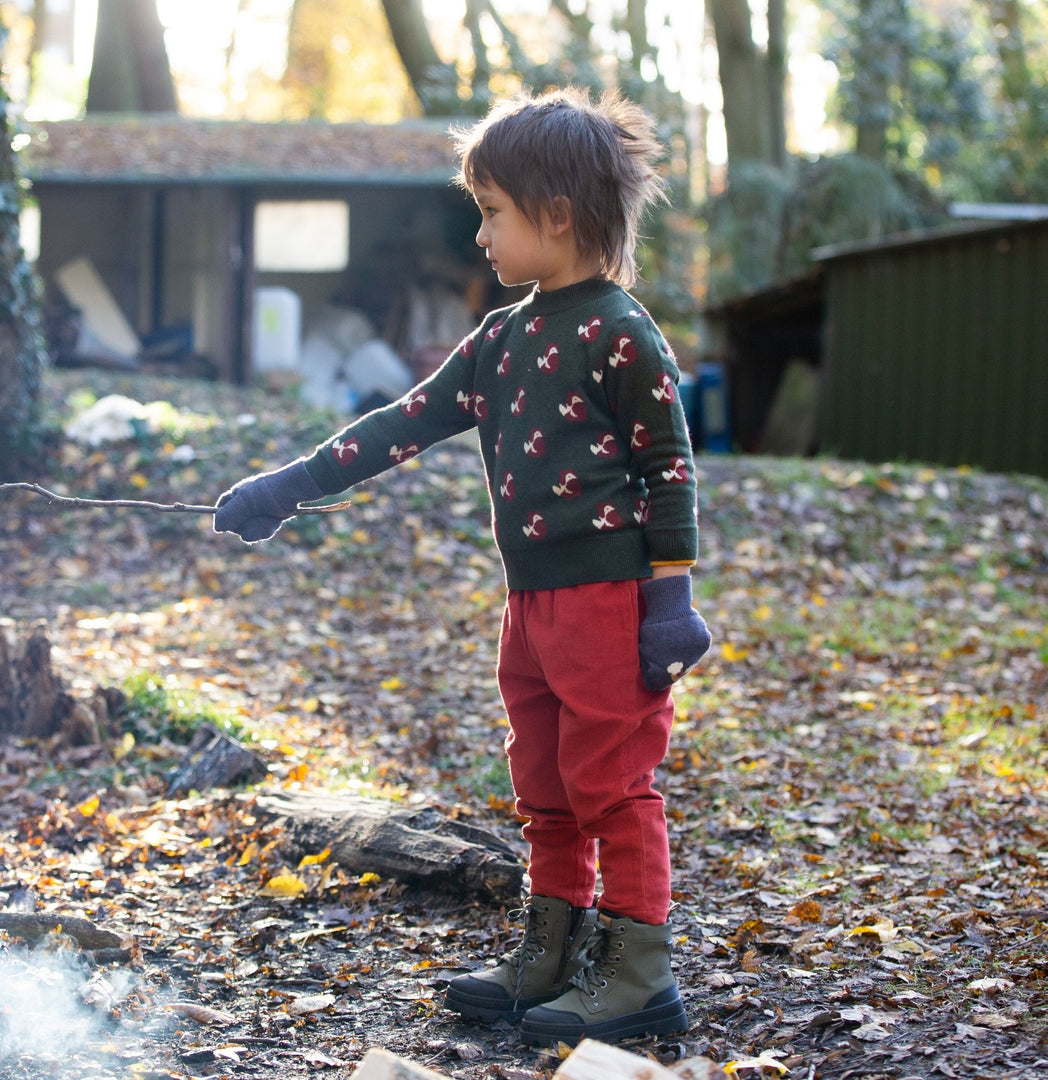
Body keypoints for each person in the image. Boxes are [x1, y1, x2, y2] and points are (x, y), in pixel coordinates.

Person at [214, 86, 711, 1047]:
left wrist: (670, 600)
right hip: (530, 606)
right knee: (546, 781)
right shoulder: (502, 339)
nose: (479, 236)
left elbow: (668, 469)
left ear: (556, 216)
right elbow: (404, 424)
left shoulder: (620, 330)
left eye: (491, 212)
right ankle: (552, 946)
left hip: (610, 602)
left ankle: (640, 968)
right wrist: (289, 485)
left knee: (611, 780)